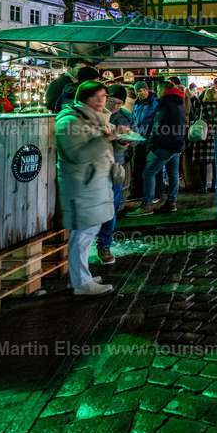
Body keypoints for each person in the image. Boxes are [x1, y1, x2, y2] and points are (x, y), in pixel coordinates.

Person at [55, 80, 126, 296]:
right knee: (82, 234)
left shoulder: (96, 119)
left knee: (89, 230)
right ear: (84, 97)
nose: (102, 100)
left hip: (95, 184)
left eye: (104, 96)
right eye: (97, 97)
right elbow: (76, 155)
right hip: (81, 185)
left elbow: (102, 146)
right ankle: (81, 283)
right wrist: (106, 138)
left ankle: (82, 275)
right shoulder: (69, 121)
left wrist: (120, 141)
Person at [127, 81, 187, 216]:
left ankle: (147, 205)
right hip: (177, 144)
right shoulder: (180, 103)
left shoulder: (164, 103)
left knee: (148, 173)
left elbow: (157, 126)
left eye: (158, 89)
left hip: (164, 145)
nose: (157, 91)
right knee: (173, 174)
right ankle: (172, 202)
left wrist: (151, 144)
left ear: (164, 90)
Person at [97, 84, 138, 264]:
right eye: (113, 101)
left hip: (116, 164)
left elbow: (136, 139)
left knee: (111, 207)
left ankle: (104, 244)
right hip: (96, 166)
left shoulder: (126, 116)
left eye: (120, 103)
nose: (116, 106)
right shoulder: (94, 114)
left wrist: (126, 141)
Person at [129, 80, 161, 204]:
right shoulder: (137, 104)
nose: (142, 93)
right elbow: (135, 120)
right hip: (139, 140)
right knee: (137, 168)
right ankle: (137, 192)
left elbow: (156, 121)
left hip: (151, 140)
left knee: (153, 169)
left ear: (148, 89)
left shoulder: (156, 102)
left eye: (144, 90)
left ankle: (156, 193)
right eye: (139, 91)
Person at [192, 87, 217, 192]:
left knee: (203, 163)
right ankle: (215, 185)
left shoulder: (201, 107)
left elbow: (195, 120)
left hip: (203, 137)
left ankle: (203, 186)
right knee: (216, 162)